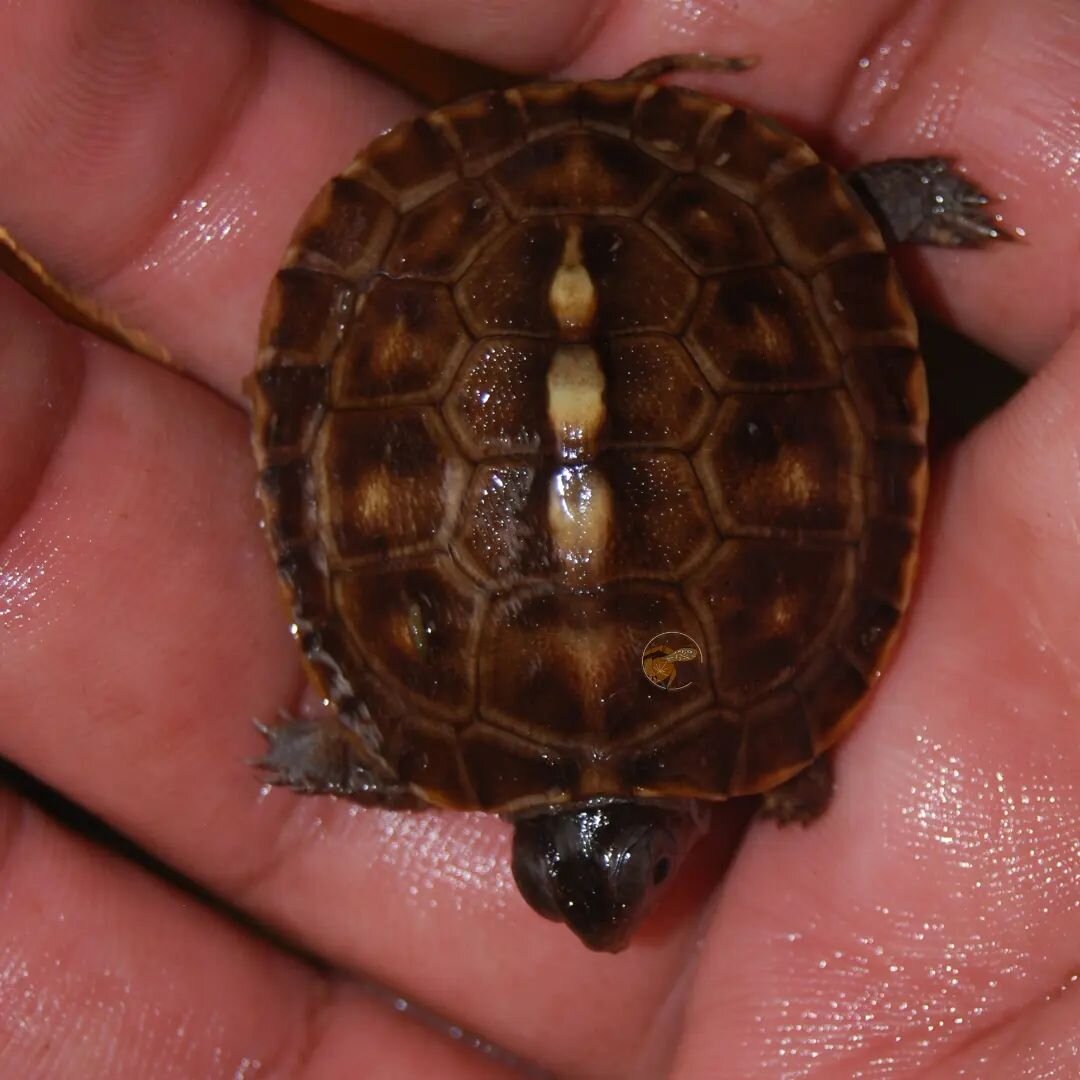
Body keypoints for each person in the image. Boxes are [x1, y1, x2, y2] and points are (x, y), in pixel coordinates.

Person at [0, 1, 1076, 1075]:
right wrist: (357, 757)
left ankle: (836, 215)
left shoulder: (765, 716)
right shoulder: (444, 735)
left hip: (511, 244)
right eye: (650, 871)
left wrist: (783, 764)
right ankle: (830, 215)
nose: (623, 915)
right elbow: (349, 732)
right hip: (672, 230)